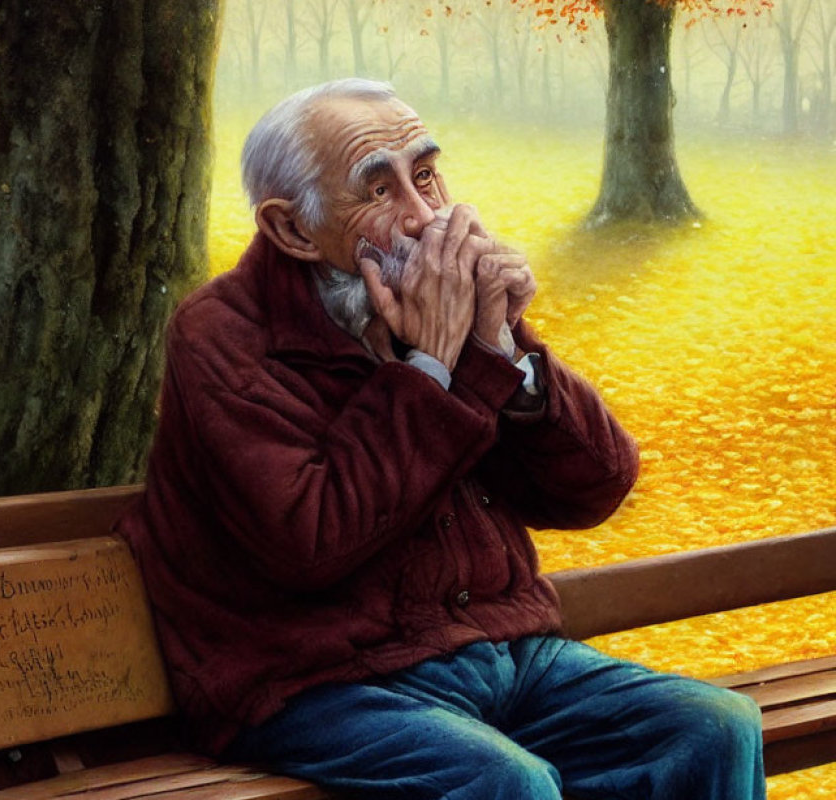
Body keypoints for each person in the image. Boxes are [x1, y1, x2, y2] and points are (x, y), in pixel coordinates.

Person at [117, 79, 765, 800]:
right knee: (506, 786)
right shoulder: (223, 336)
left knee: (714, 724)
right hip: (314, 681)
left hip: (504, 654)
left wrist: (502, 353)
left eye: (425, 175)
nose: (426, 215)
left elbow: (598, 485)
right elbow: (311, 541)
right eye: (379, 190)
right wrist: (428, 369)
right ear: (293, 230)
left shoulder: (448, 295)